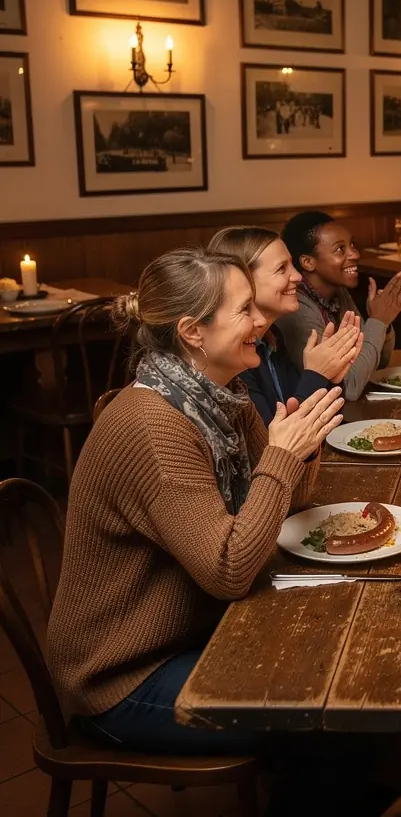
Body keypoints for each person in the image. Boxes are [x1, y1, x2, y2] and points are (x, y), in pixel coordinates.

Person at [46, 246, 344, 754]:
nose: (260, 321)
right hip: (124, 673)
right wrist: (280, 456)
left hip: (197, 628)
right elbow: (228, 569)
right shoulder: (154, 425)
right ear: (191, 331)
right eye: (244, 310)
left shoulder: (223, 396)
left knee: (337, 654)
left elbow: (281, 506)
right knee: (324, 712)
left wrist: (298, 451)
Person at [209, 225, 364, 425]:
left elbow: (318, 423)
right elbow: (273, 445)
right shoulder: (236, 358)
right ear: (244, 280)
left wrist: (330, 377)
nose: (298, 277)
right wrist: (317, 374)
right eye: (282, 269)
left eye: (291, 265)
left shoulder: (272, 340)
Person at [275, 211, 401, 400]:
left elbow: (377, 362)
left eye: (353, 245)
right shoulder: (296, 309)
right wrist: (378, 320)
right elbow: (350, 386)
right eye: (340, 249)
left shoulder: (337, 292)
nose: (355, 254)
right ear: (308, 262)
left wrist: (384, 322)